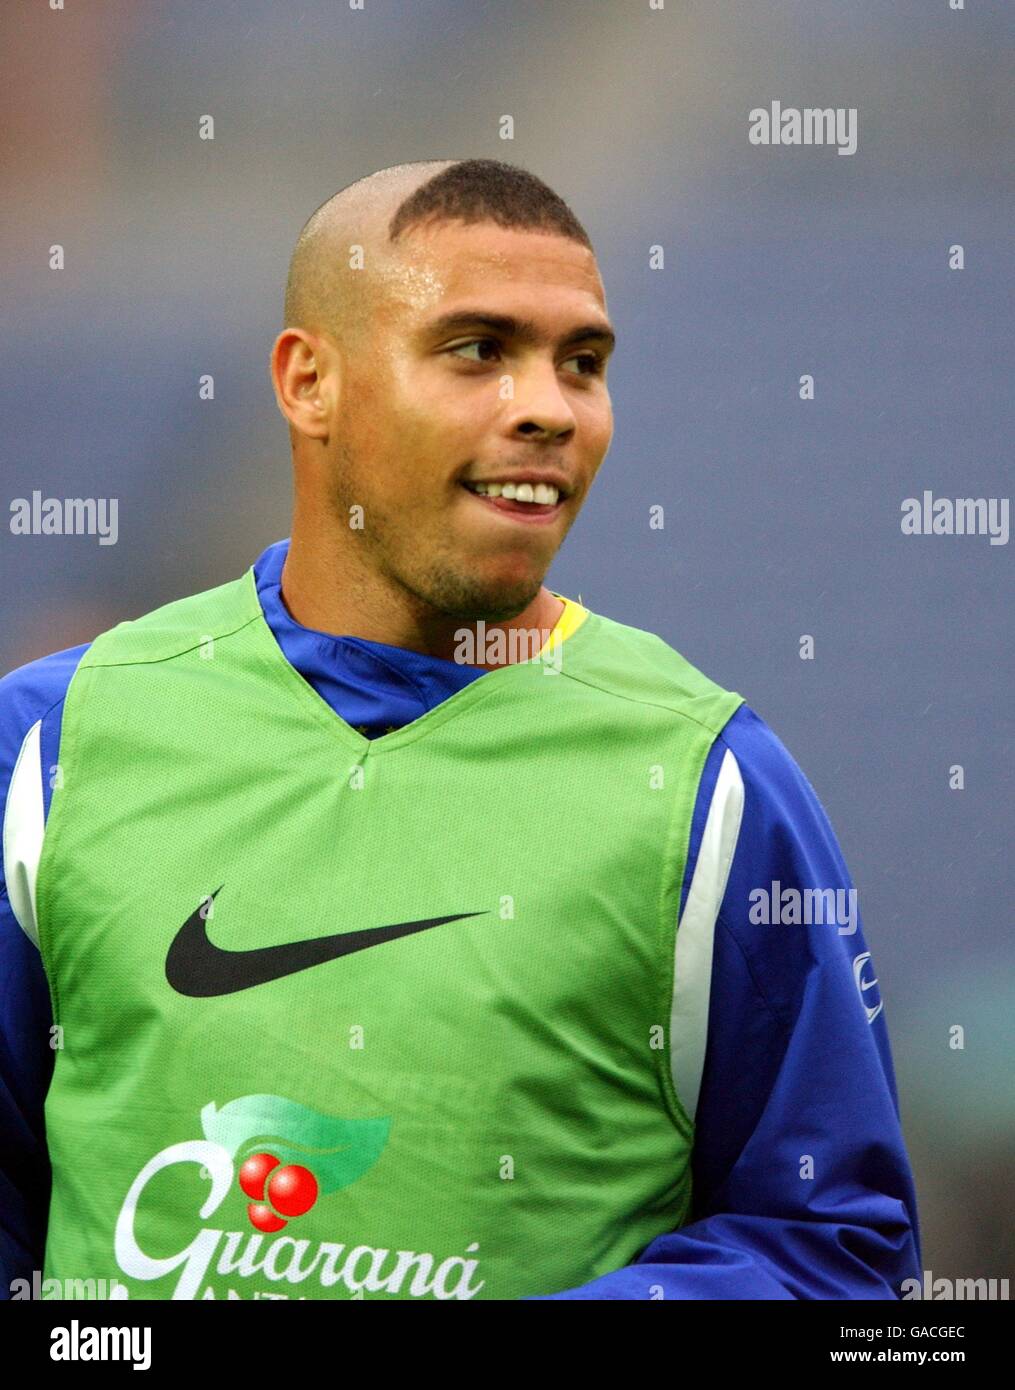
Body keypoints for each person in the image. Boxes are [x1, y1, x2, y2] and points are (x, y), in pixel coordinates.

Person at [0, 158, 920, 1301]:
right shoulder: (51, 741)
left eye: (581, 362)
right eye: (478, 348)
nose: (548, 405)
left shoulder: (708, 780)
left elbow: (840, 1252)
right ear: (309, 383)